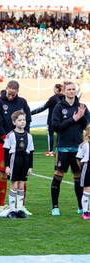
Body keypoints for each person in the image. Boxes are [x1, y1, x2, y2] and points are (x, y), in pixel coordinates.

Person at [0, 80, 32, 216]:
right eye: (9, 93)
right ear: (6, 89)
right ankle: (2, 205)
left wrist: (25, 136)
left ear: (17, 92)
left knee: (22, 175)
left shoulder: (22, 102)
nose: (11, 96)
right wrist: (5, 137)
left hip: (21, 144)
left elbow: (28, 120)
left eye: (14, 94)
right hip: (3, 143)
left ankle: (21, 206)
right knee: (4, 173)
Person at [50, 81, 89, 216]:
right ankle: (55, 206)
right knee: (58, 176)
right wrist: (73, 118)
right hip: (63, 148)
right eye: (69, 89)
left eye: (73, 89)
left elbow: (86, 127)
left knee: (79, 177)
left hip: (78, 149)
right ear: (65, 91)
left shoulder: (82, 106)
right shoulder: (59, 107)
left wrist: (82, 116)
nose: (71, 91)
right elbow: (56, 127)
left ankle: (80, 206)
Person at [0, 110, 34, 219]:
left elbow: (31, 152)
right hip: (15, 160)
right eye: (20, 120)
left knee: (21, 184)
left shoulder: (29, 136)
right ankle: (12, 209)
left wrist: (30, 166)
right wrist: (7, 166)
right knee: (14, 184)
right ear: (14, 122)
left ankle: (20, 209)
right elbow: (6, 151)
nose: (22, 122)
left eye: (24, 120)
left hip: (25, 160)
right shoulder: (10, 135)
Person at [31, 83, 64, 157]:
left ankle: (51, 151)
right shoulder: (65, 98)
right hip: (61, 120)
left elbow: (42, 108)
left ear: (56, 89)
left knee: (50, 135)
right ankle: (58, 150)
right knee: (60, 135)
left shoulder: (53, 98)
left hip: (51, 120)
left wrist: (30, 113)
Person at [77, 125, 90, 219]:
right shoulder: (84, 145)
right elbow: (78, 158)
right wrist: (82, 167)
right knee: (87, 190)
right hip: (87, 167)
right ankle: (85, 212)